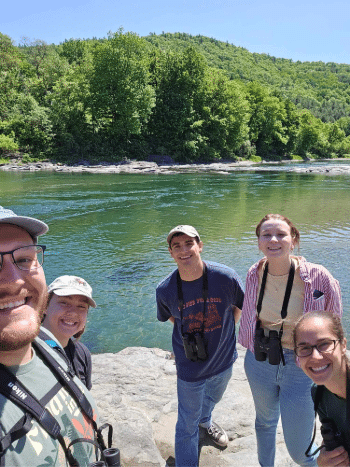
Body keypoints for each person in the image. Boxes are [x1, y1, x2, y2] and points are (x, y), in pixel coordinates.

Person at [238, 213, 342, 467]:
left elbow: (335, 324)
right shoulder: (255, 272)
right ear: (259, 242)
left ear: (293, 240)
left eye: (281, 234)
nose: (274, 240)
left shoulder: (319, 277)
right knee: (264, 423)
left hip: (301, 366)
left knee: (301, 451)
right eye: (266, 235)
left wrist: (337, 365)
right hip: (260, 360)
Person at [0, 206, 100, 466]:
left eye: (24, 259)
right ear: (49, 305)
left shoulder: (52, 349)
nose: (13, 280)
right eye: (64, 302)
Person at [156, 225, 244, 467]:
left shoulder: (225, 277)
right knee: (186, 425)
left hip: (224, 359)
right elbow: (172, 318)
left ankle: (206, 422)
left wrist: (227, 332)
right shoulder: (165, 289)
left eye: (189, 244)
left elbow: (240, 306)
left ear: (200, 245)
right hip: (190, 366)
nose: (184, 250)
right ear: (171, 253)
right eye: (177, 246)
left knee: (213, 398)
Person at [293, 311, 350, 467]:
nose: (316, 357)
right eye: (304, 348)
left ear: (343, 345)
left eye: (324, 344)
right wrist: (325, 461)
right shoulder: (318, 393)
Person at [41, 275, 96, 390]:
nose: (73, 312)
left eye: (81, 306)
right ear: (45, 305)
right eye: (64, 302)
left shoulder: (82, 353)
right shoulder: (26, 352)